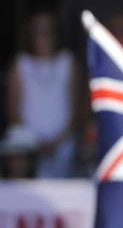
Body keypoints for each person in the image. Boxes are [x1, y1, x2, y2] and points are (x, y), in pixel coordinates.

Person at [5, 11, 82, 178]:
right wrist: (35, 142)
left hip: (63, 145)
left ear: (57, 33)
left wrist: (57, 141)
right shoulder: (20, 63)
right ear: (29, 34)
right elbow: (13, 110)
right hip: (27, 148)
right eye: (38, 30)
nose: (44, 36)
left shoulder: (68, 61)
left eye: (48, 30)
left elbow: (75, 108)